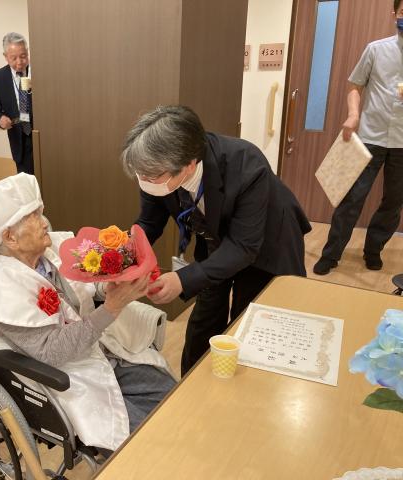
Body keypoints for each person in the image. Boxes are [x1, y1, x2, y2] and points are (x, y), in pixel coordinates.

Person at [0, 173, 175, 451]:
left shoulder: (49, 253)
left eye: (40, 212)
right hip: (66, 379)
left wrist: (110, 287)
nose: (45, 222)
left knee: (173, 397)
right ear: (10, 237)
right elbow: (51, 352)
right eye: (33, 216)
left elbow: (84, 289)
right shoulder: (0, 290)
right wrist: (112, 308)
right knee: (150, 439)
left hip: (99, 352)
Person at [121, 105, 311, 375]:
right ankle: (191, 386)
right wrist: (124, 255)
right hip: (214, 239)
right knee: (204, 321)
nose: (145, 181)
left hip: (269, 241)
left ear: (189, 165)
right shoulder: (156, 170)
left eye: (152, 176)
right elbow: (149, 223)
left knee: (252, 322)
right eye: (141, 175)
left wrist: (182, 280)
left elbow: (244, 246)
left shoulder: (246, 163)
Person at [313, 1, 403, 275]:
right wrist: (353, 115)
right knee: (352, 198)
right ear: (394, 14)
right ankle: (331, 254)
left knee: (394, 202)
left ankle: (373, 250)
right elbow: (355, 85)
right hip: (371, 135)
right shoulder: (376, 49)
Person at [0, 32, 34, 174]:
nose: (19, 62)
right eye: (14, 58)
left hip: (42, 133)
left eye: (23, 56)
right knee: (25, 180)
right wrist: (0, 118)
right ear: (5, 56)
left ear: (27, 51)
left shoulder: (38, 71)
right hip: (19, 136)